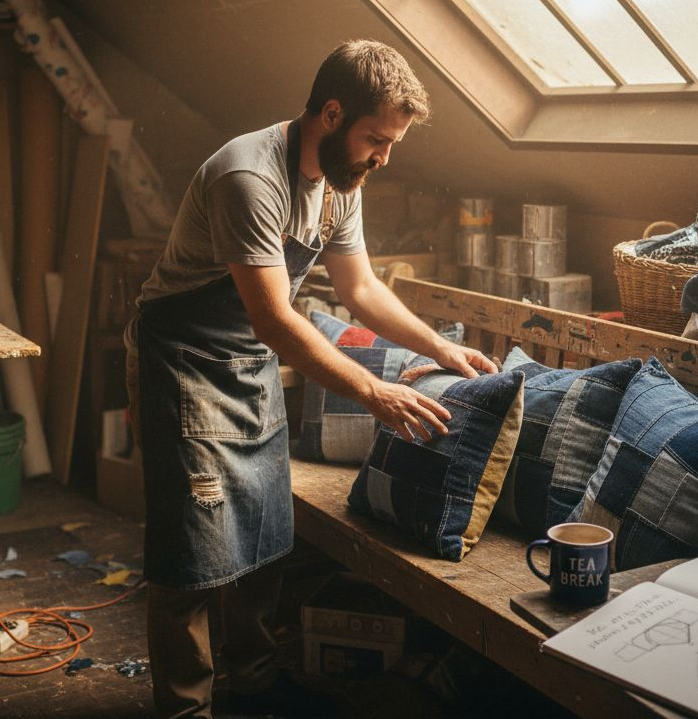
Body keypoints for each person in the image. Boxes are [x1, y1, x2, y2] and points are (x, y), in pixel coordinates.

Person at [125, 39, 495, 718]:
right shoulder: (249, 177)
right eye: (376, 140)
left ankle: (256, 685)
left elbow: (361, 289)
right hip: (186, 360)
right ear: (331, 114)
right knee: (193, 552)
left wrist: (441, 347)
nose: (384, 158)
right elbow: (274, 318)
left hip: (249, 359)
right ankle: (186, 708)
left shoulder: (340, 182)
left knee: (265, 538)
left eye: (392, 144)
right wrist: (374, 392)